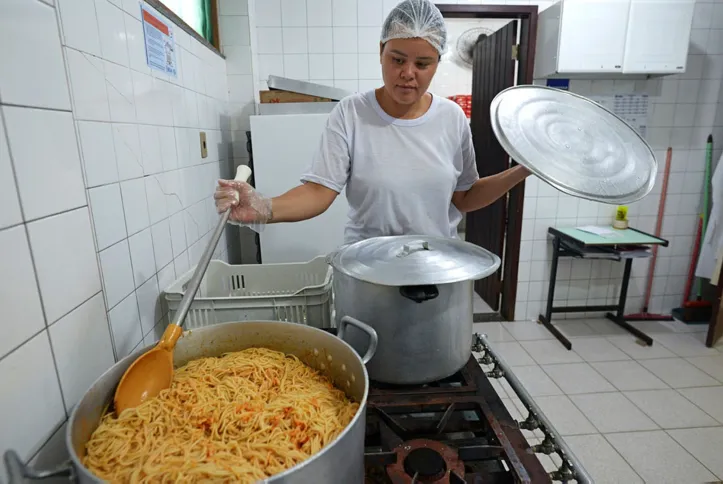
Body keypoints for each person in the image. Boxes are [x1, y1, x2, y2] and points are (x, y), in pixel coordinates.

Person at [215, 0, 530, 244]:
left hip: (435, 267)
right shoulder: (352, 113)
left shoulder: (452, 118)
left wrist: (524, 168)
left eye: (422, 63)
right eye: (397, 59)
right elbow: (318, 192)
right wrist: (264, 208)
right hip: (368, 269)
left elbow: (464, 195)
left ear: (436, 64)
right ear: (381, 52)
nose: (408, 72)